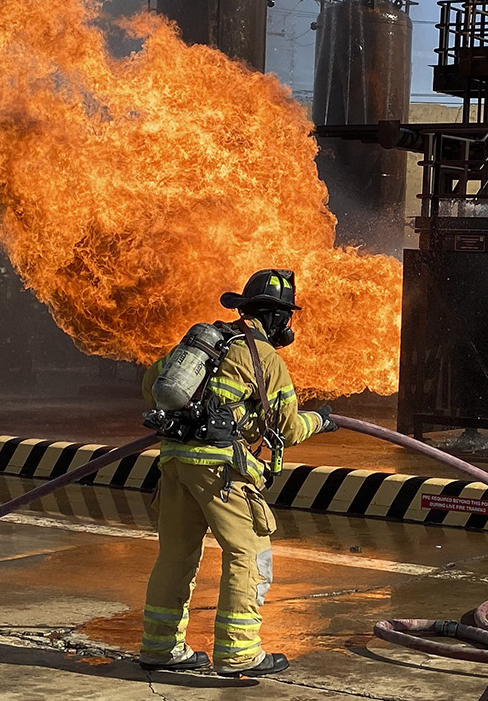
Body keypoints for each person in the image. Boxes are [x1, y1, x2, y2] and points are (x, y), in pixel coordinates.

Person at [138, 269, 337, 678]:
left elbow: (150, 386)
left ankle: (159, 648)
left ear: (244, 309)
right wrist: (321, 420)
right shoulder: (265, 358)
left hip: (174, 462)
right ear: (279, 319)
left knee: (175, 556)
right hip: (220, 472)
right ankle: (239, 653)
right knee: (248, 554)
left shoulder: (203, 344)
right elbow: (286, 428)